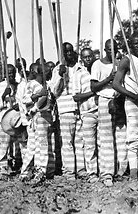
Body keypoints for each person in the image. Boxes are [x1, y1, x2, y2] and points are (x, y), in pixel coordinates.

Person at [112, 33, 138, 183]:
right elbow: (116, 84)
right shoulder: (126, 60)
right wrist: (134, 96)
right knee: (133, 138)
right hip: (133, 102)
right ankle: (134, 175)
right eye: (135, 44)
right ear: (130, 45)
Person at [50, 42, 86, 180]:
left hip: (79, 108)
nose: (69, 54)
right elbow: (54, 91)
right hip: (65, 109)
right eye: (66, 52)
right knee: (67, 142)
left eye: (71, 51)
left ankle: (81, 169)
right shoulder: (57, 69)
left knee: (79, 141)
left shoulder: (79, 68)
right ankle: (69, 172)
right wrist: (60, 76)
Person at [19, 63, 56, 183]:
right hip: (36, 116)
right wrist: (38, 95)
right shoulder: (32, 84)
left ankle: (41, 170)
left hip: (46, 116)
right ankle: (37, 171)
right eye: (47, 71)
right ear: (40, 73)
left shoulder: (47, 84)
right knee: (38, 145)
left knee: (44, 144)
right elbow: (25, 99)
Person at [90, 39, 118, 187]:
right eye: (109, 49)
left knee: (119, 137)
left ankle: (120, 170)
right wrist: (109, 79)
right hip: (104, 99)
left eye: (115, 49)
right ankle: (107, 173)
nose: (112, 52)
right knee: (106, 138)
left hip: (118, 100)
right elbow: (93, 87)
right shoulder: (97, 64)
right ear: (105, 50)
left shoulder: (119, 63)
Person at [73, 47, 99, 183]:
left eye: (90, 56)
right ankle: (92, 173)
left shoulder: (98, 69)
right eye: (85, 57)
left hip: (101, 110)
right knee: (89, 144)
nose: (88, 59)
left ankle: (102, 170)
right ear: (81, 59)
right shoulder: (79, 74)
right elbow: (76, 97)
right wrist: (93, 92)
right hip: (87, 112)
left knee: (102, 143)